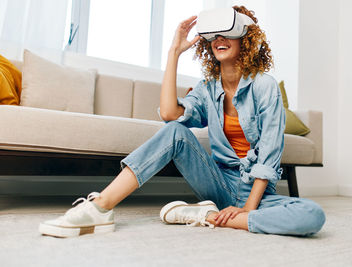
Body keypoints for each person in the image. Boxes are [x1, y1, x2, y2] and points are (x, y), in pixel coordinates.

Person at [39, 5, 325, 238]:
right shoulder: (207, 87)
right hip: (219, 184)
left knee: (313, 216)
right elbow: (169, 115)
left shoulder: (265, 86)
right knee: (175, 131)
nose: (219, 40)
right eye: (213, 36)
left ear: (246, 40)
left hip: (258, 193)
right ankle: (99, 207)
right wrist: (174, 52)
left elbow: (270, 154)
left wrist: (248, 210)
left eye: (228, 33)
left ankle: (205, 215)